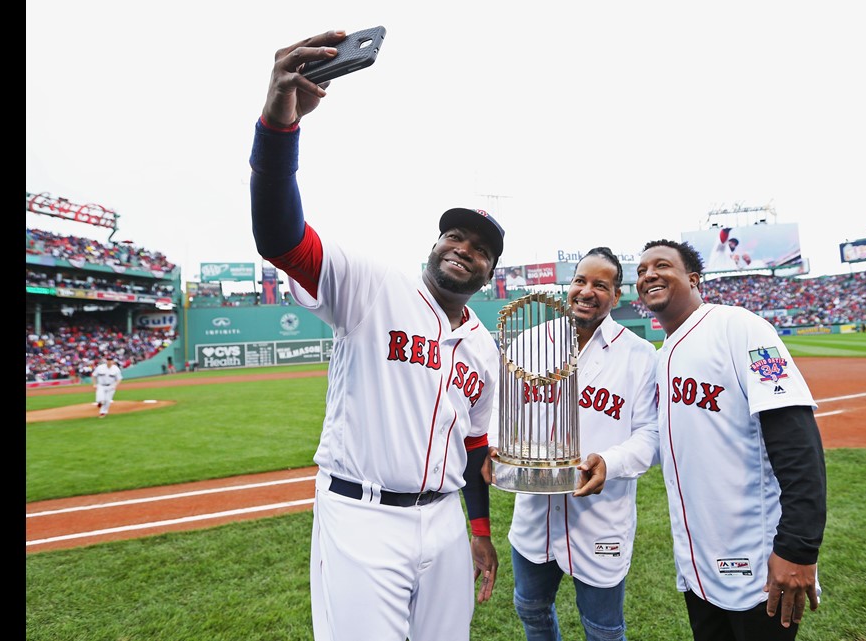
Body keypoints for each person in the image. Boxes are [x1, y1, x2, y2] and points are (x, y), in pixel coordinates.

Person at [249, 30, 501, 641]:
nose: (463, 248)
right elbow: (279, 235)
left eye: (480, 248)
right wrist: (280, 119)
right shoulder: (372, 285)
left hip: (443, 523)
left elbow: (472, 449)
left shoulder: (484, 348)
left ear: (491, 273)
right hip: (361, 515)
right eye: (454, 236)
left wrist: (480, 532)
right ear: (435, 245)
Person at [634, 239, 827, 641]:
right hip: (696, 563)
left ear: (693, 278)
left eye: (661, 265)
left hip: (757, 563)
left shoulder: (739, 327)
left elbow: (798, 442)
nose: (648, 274)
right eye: (641, 270)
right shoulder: (663, 354)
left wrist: (798, 548)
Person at [483, 247, 659, 641]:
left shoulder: (640, 355)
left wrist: (609, 463)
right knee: (531, 608)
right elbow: (500, 409)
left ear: (616, 296)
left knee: (603, 628)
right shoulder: (529, 342)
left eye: (601, 284)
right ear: (569, 286)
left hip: (599, 516)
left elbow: (651, 434)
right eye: (580, 280)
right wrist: (496, 444)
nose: (587, 290)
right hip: (534, 512)